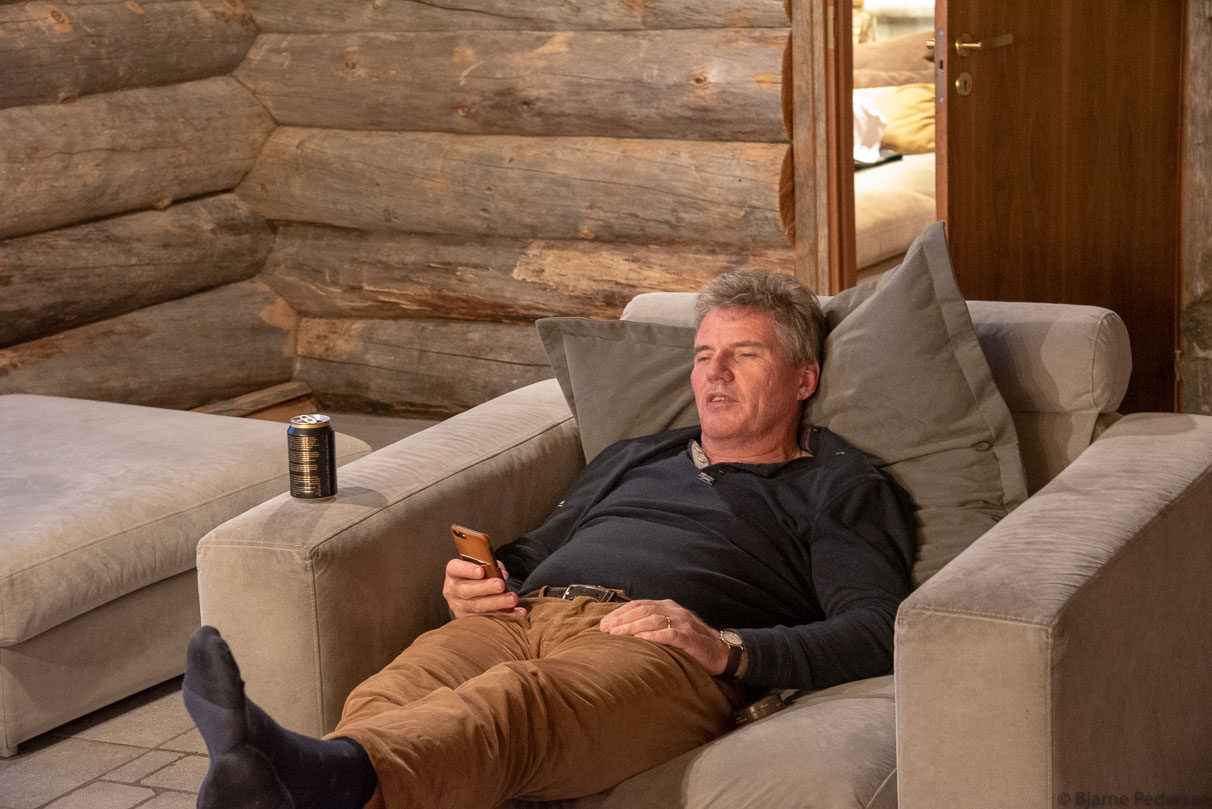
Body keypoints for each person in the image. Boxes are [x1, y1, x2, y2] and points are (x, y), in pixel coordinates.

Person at [183, 269, 914, 809]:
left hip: (655, 648)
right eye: (702, 355)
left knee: (512, 705)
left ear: (803, 379)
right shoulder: (638, 454)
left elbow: (877, 628)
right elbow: (543, 544)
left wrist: (727, 646)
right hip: (523, 614)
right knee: (394, 691)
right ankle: (288, 780)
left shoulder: (836, 482)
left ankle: (283, 776)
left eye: (744, 354)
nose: (713, 374)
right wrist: (487, 577)